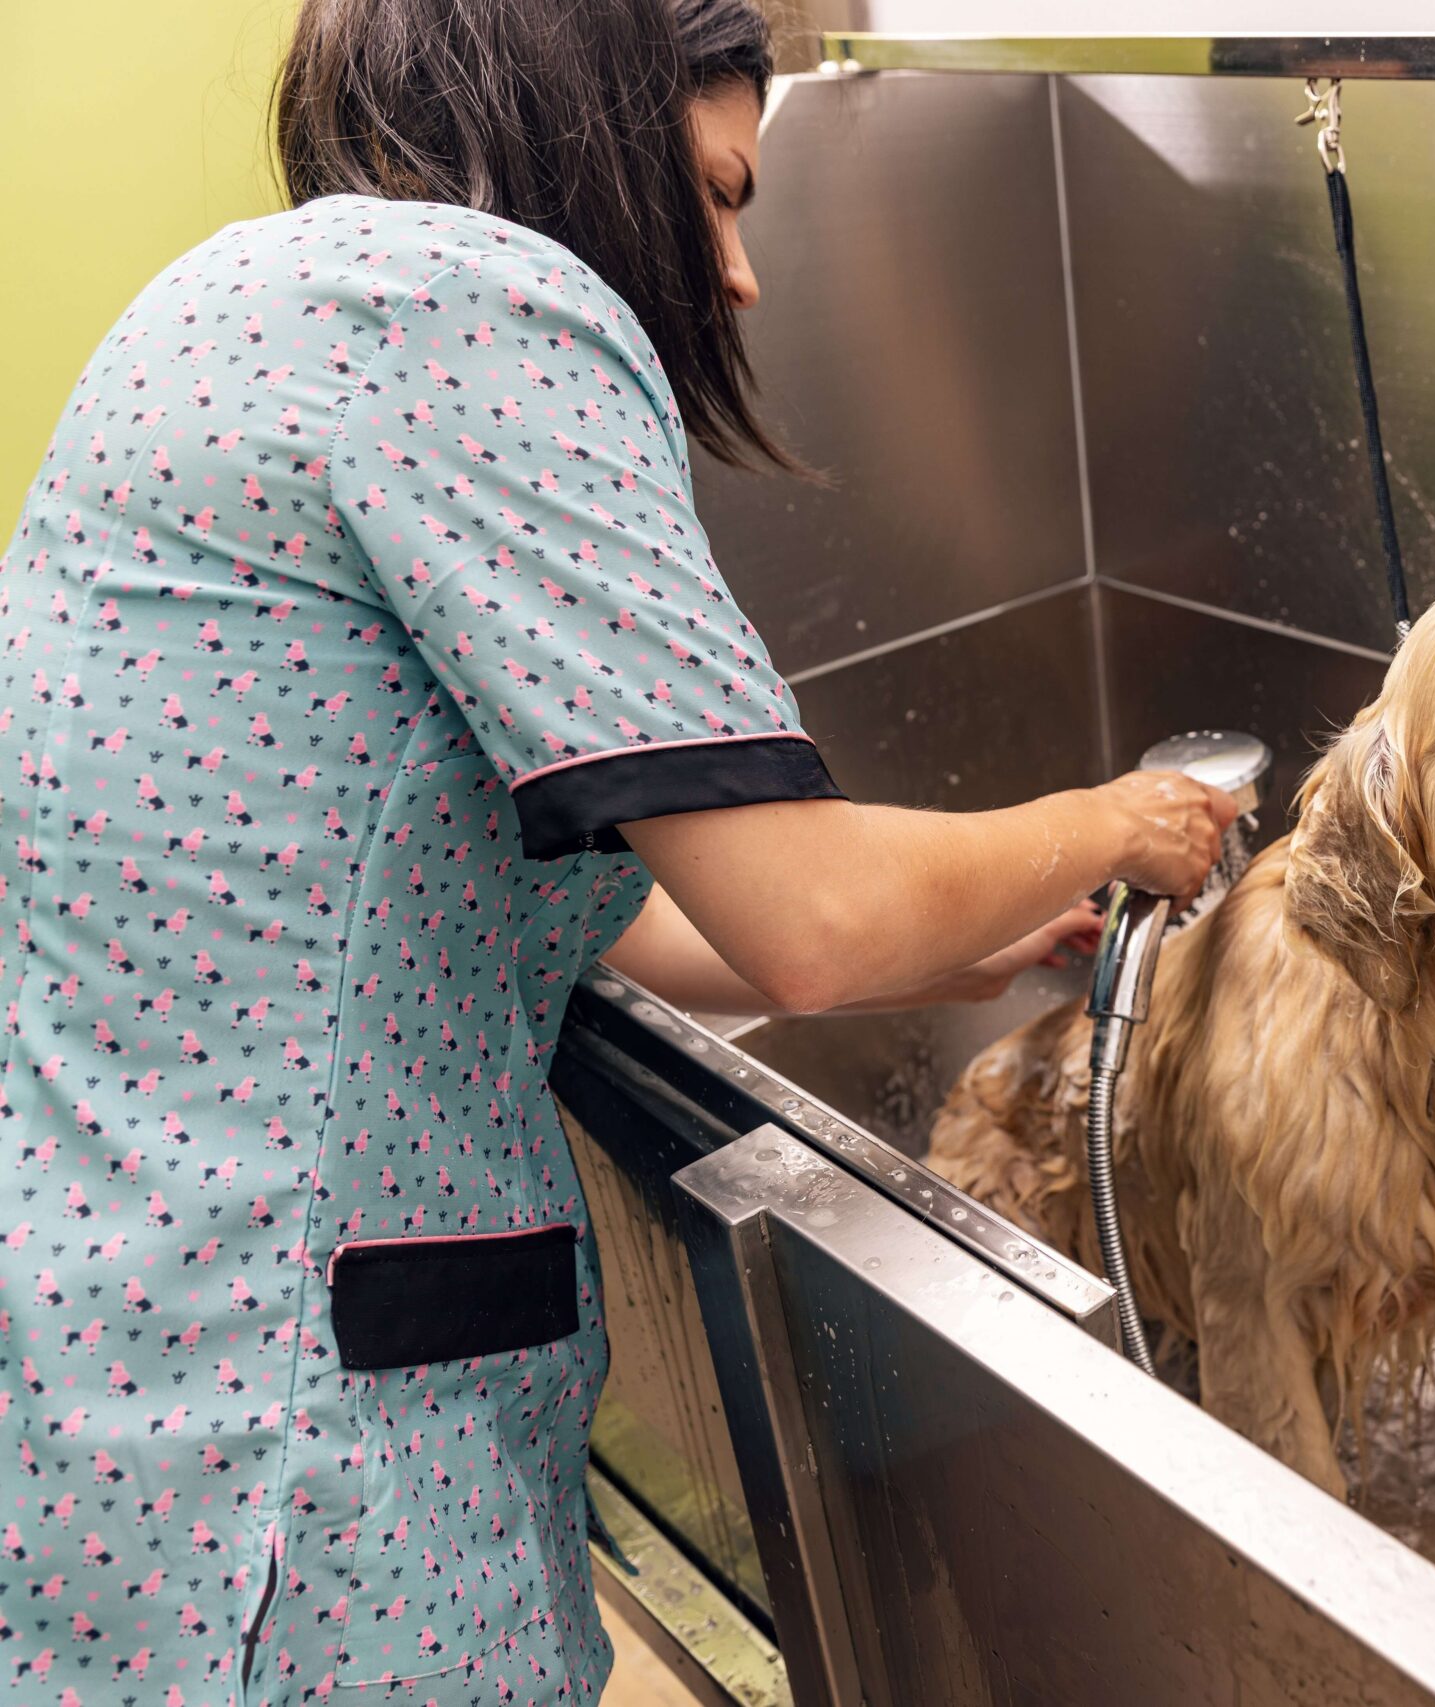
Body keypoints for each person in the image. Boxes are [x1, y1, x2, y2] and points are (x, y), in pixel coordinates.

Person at [0, 0, 1234, 1698]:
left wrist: (965, 943)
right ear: (592, 114)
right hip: (303, 1453)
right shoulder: (473, 306)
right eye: (723, 192)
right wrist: (1114, 821)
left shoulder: (226, 304)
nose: (736, 275)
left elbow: (575, 905)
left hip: (117, 1366)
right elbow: (805, 919)